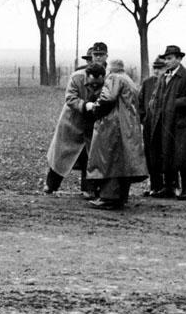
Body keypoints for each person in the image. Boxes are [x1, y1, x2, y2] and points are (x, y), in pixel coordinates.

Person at [84, 59, 148, 210]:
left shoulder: (114, 78)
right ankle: (121, 197)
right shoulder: (129, 79)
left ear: (110, 69)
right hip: (128, 125)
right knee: (123, 161)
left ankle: (108, 198)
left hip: (113, 125)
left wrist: (94, 108)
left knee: (109, 160)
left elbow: (108, 98)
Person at [148, 45, 186, 200]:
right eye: (166, 58)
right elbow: (158, 96)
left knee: (181, 156)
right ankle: (169, 187)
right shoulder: (164, 76)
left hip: (181, 123)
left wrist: (174, 102)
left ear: (179, 59)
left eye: (170, 58)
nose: (167, 61)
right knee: (166, 154)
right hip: (165, 121)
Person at [43, 63, 106, 196]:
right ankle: (51, 185)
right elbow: (70, 98)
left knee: (90, 157)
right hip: (71, 123)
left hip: (91, 126)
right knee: (61, 156)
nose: (95, 86)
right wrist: (85, 105)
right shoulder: (76, 78)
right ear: (86, 76)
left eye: (98, 83)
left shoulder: (107, 80)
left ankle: (89, 189)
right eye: (92, 83)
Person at [138, 57, 167, 197]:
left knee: (164, 156)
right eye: (155, 68)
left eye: (160, 68)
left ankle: (168, 187)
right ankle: (154, 186)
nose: (156, 71)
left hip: (163, 126)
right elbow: (140, 103)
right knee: (151, 156)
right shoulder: (147, 83)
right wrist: (143, 118)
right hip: (149, 126)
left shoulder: (168, 83)